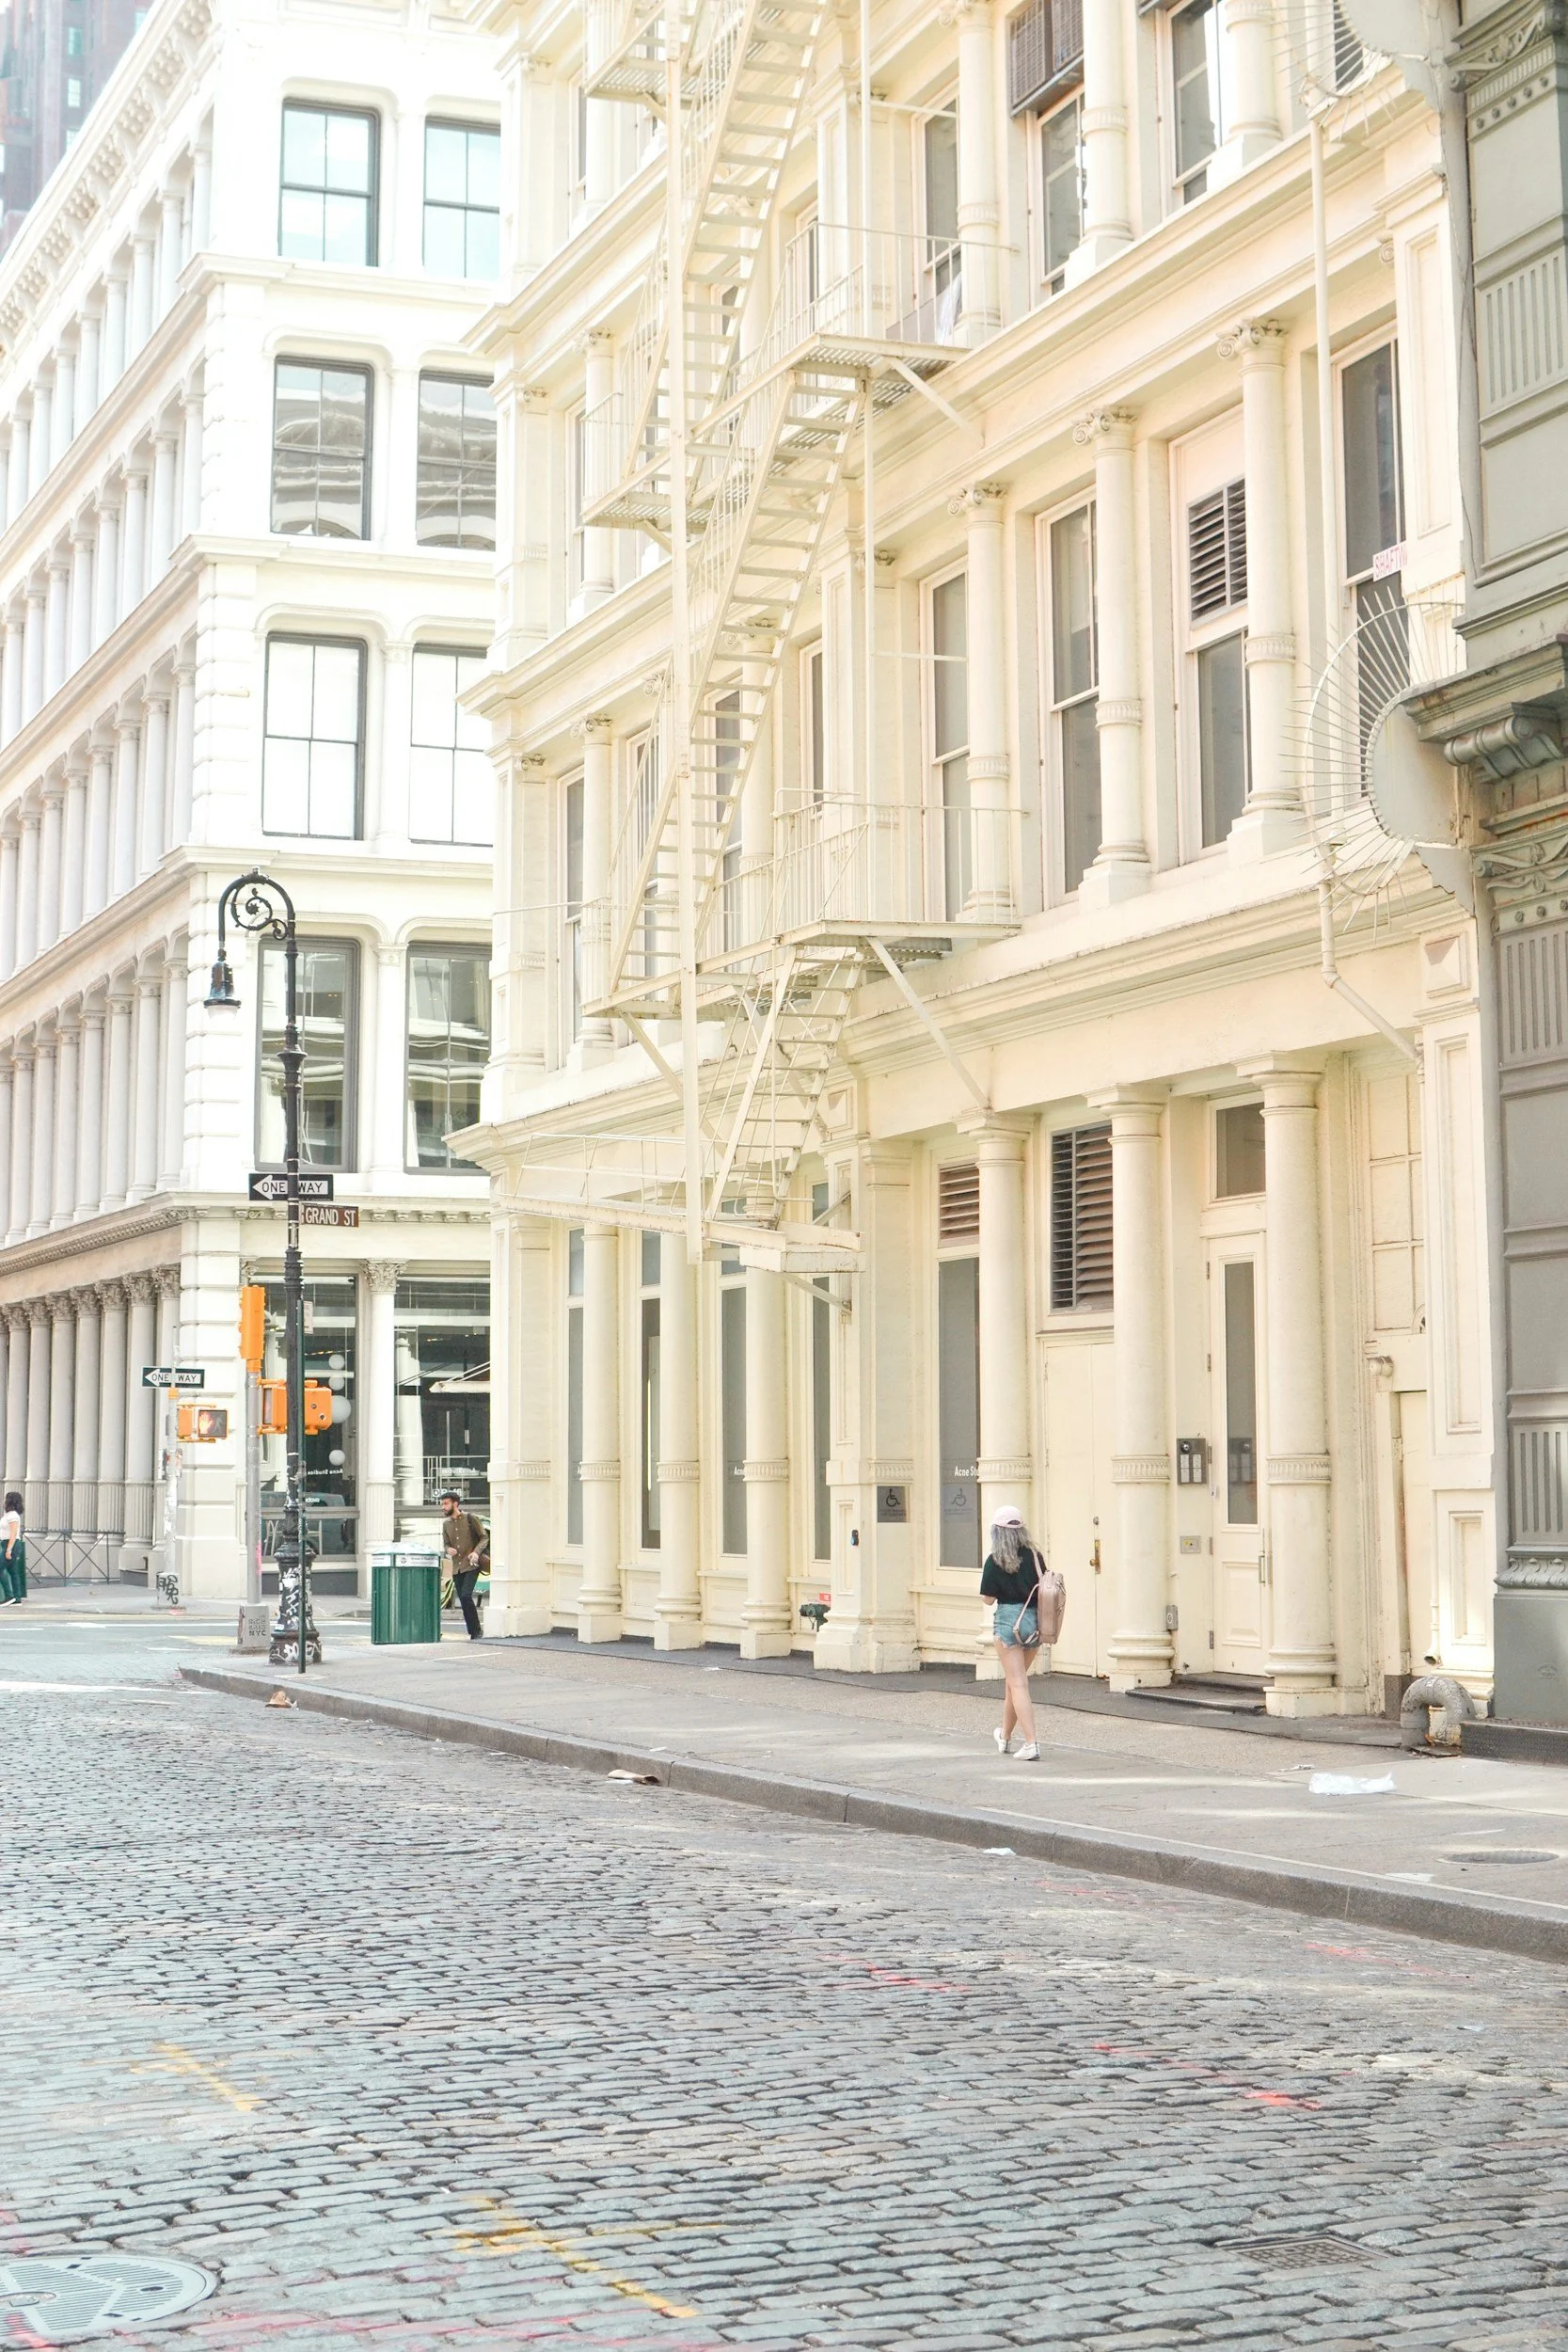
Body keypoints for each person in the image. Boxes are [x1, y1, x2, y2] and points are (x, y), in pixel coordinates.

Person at [981, 1504, 1046, 1761]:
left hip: (1008, 1621)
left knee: (1017, 1683)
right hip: (1034, 1622)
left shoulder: (994, 1560)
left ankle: (1031, 1744)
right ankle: (1005, 1737)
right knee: (1013, 1682)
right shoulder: (1034, 1556)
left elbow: (988, 1599)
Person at [439, 1489, 489, 1640]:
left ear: (455, 1504)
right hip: (456, 1568)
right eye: (442, 1504)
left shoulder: (470, 1518)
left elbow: (483, 1537)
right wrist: (449, 1549)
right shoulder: (446, 1524)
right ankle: (473, 1631)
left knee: (466, 1596)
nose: (443, 1507)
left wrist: (476, 1552)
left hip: (471, 1564)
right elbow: (446, 1544)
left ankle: (476, 1631)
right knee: (463, 1599)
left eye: (446, 1504)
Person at [0, 1490, 24, 1607]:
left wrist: (9, 1549)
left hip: (11, 1544)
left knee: (1, 1568)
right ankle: (17, 1596)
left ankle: (9, 1595)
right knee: (13, 1571)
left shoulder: (13, 1515)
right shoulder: (9, 1515)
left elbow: (13, 1533)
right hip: (7, 1543)